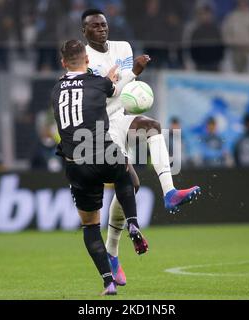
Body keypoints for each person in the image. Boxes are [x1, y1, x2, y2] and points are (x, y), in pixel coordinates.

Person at [81, 8, 201, 287]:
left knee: (153, 126)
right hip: (100, 128)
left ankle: (169, 192)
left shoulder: (123, 47)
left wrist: (131, 81)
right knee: (130, 184)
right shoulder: (83, 59)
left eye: (104, 24)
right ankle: (112, 252)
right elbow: (101, 92)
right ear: (84, 31)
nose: (101, 29)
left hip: (122, 117)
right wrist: (133, 72)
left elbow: (123, 90)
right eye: (94, 26)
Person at [52, 40, 148, 296]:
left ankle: (108, 282)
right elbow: (118, 91)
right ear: (86, 60)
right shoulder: (98, 83)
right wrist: (128, 73)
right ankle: (133, 222)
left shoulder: (56, 89)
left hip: (77, 163)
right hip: (105, 151)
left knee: (91, 226)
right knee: (125, 175)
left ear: (63, 63)